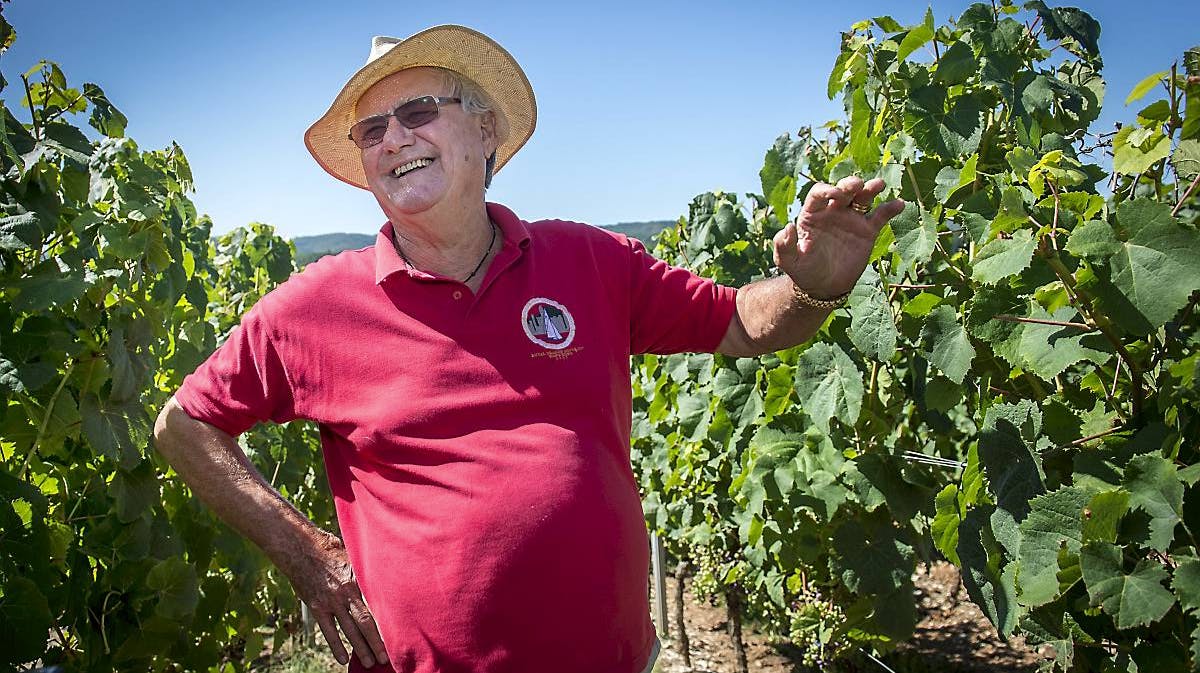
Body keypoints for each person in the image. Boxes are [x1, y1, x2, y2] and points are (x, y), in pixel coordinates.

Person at [152, 25, 903, 673]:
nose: (394, 140)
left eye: (417, 112)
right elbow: (182, 425)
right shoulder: (317, 306)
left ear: (486, 133)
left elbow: (743, 320)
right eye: (372, 130)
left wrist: (810, 288)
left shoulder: (590, 262)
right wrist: (308, 554)